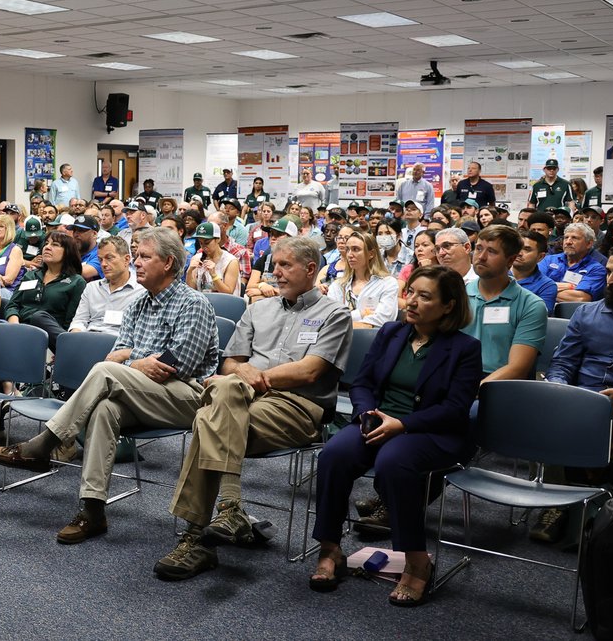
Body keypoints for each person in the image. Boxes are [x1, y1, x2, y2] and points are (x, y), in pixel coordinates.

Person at [0, 228, 219, 543]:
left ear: (167, 262)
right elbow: (116, 354)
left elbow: (179, 364)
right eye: (136, 256)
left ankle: (43, 445)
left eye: (144, 257)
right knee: (105, 409)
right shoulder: (138, 305)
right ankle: (93, 509)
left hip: (187, 395)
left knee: (105, 372)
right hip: (143, 392)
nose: (136, 262)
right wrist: (137, 361)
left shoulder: (193, 302)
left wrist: (130, 359)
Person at [153, 236, 353, 580]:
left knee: (207, 416)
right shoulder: (258, 308)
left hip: (297, 408)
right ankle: (228, 511)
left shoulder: (334, 314)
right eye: (274, 265)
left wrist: (249, 375)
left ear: (310, 269)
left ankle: (196, 538)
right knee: (220, 399)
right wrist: (239, 374)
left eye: (285, 265)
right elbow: (231, 362)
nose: (275, 272)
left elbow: (309, 371)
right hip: (243, 401)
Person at [310, 265, 480, 604]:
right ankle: (330, 548)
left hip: (430, 430)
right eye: (411, 292)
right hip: (377, 422)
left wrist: (402, 425)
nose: (412, 301)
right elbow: (362, 384)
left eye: (424, 296)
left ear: (448, 305)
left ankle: (416, 560)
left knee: (392, 462)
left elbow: (455, 408)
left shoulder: (464, 348)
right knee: (334, 455)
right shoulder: (391, 333)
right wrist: (366, 414)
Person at [535, 241, 613, 541]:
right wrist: (559, 386)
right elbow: (562, 363)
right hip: (584, 400)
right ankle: (557, 504)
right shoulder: (587, 314)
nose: (611, 280)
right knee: (547, 413)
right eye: (608, 272)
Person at [464, 225, 547, 380]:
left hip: (499, 384)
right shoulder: (458, 294)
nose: (481, 257)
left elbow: (517, 369)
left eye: (492, 251)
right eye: (479, 248)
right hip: (455, 375)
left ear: (510, 260)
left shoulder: (531, 305)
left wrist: (469, 391)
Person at [3, 231, 87, 351]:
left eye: (55, 245)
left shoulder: (76, 282)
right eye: (46, 243)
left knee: (39, 317)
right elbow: (13, 304)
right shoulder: (31, 276)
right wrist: (15, 325)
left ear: (68, 252)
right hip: (20, 328)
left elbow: (71, 320)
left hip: (50, 336)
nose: (47, 247)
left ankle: (68, 349)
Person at [69, 236, 142, 334]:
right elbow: (79, 320)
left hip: (119, 342)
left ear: (126, 259)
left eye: (109, 258)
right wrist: (76, 335)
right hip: (88, 339)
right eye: (100, 260)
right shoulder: (92, 288)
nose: (103, 264)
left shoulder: (141, 291)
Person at [328, 231, 398, 328]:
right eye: (347, 249)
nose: (349, 255)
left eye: (355, 249)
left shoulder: (388, 283)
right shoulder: (338, 285)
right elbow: (330, 319)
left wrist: (344, 324)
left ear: (371, 254)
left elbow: (384, 318)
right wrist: (361, 315)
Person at [538, 222, 607, 302]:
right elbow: (531, 283)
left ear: (589, 244)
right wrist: (570, 286)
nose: (568, 242)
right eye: (566, 237)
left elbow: (581, 298)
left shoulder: (596, 269)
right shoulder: (548, 260)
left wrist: (541, 289)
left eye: (574, 238)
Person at [246, 217, 299, 301]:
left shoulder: (299, 262)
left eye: (278, 234)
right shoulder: (265, 258)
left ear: (291, 238)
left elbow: (298, 290)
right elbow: (250, 285)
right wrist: (262, 286)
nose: (273, 238)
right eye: (271, 234)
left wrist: (269, 291)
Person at [186, 221, 240, 296]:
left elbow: (229, 293)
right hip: (202, 304)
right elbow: (191, 291)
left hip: (224, 304)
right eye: (201, 243)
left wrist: (214, 275)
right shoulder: (197, 258)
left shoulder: (230, 261)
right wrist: (189, 271)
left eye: (207, 242)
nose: (204, 246)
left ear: (218, 239)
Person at [512, 230, 559, 314]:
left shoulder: (546, 286)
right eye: (517, 247)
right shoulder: (496, 274)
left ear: (540, 257)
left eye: (527, 249)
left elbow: (538, 317)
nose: (519, 253)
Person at [0, 213, 25, 296]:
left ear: (9, 230)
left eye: (1, 226)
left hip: (7, 292)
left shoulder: (15, 250)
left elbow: (8, 280)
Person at [70, 214, 105, 282]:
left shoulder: (101, 252)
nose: (76, 234)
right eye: (74, 230)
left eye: (81, 230)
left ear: (94, 234)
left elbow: (84, 272)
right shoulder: (71, 250)